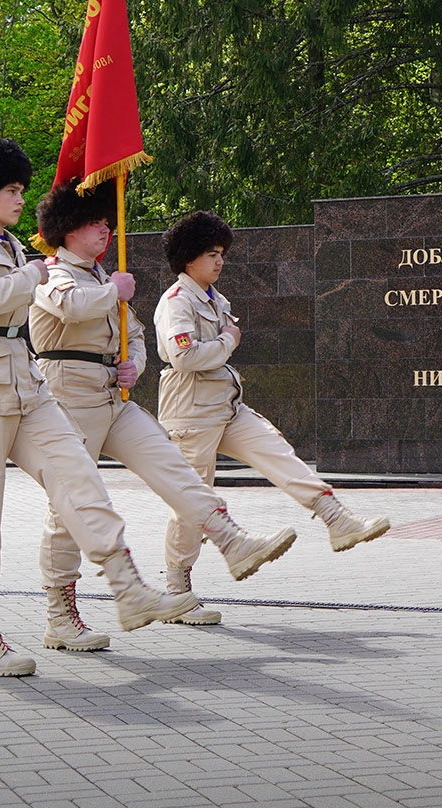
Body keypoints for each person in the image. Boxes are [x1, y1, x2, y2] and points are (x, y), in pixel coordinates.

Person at [0, 140, 196, 675]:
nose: (22, 199)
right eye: (12, 190)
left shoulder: (11, 245)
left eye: (22, 190)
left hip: (24, 382)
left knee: (77, 474)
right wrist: (32, 277)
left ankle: (126, 586)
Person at [29, 179, 296, 647]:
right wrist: (113, 291)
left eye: (108, 224)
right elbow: (70, 309)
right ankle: (60, 614)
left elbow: (131, 332)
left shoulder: (100, 276)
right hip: (69, 394)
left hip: (112, 394)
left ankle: (231, 540)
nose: (105, 232)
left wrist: (135, 364)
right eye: (95, 223)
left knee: (173, 466)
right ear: (67, 228)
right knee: (69, 504)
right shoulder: (53, 273)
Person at [152, 211, 390, 623]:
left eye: (222, 253)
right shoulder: (177, 302)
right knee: (193, 501)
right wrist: (228, 340)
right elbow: (184, 356)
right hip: (190, 410)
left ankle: (338, 520)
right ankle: (177, 590)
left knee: (276, 450)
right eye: (212, 254)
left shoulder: (212, 298)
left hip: (224, 404)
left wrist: (223, 342)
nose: (220, 261)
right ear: (189, 259)